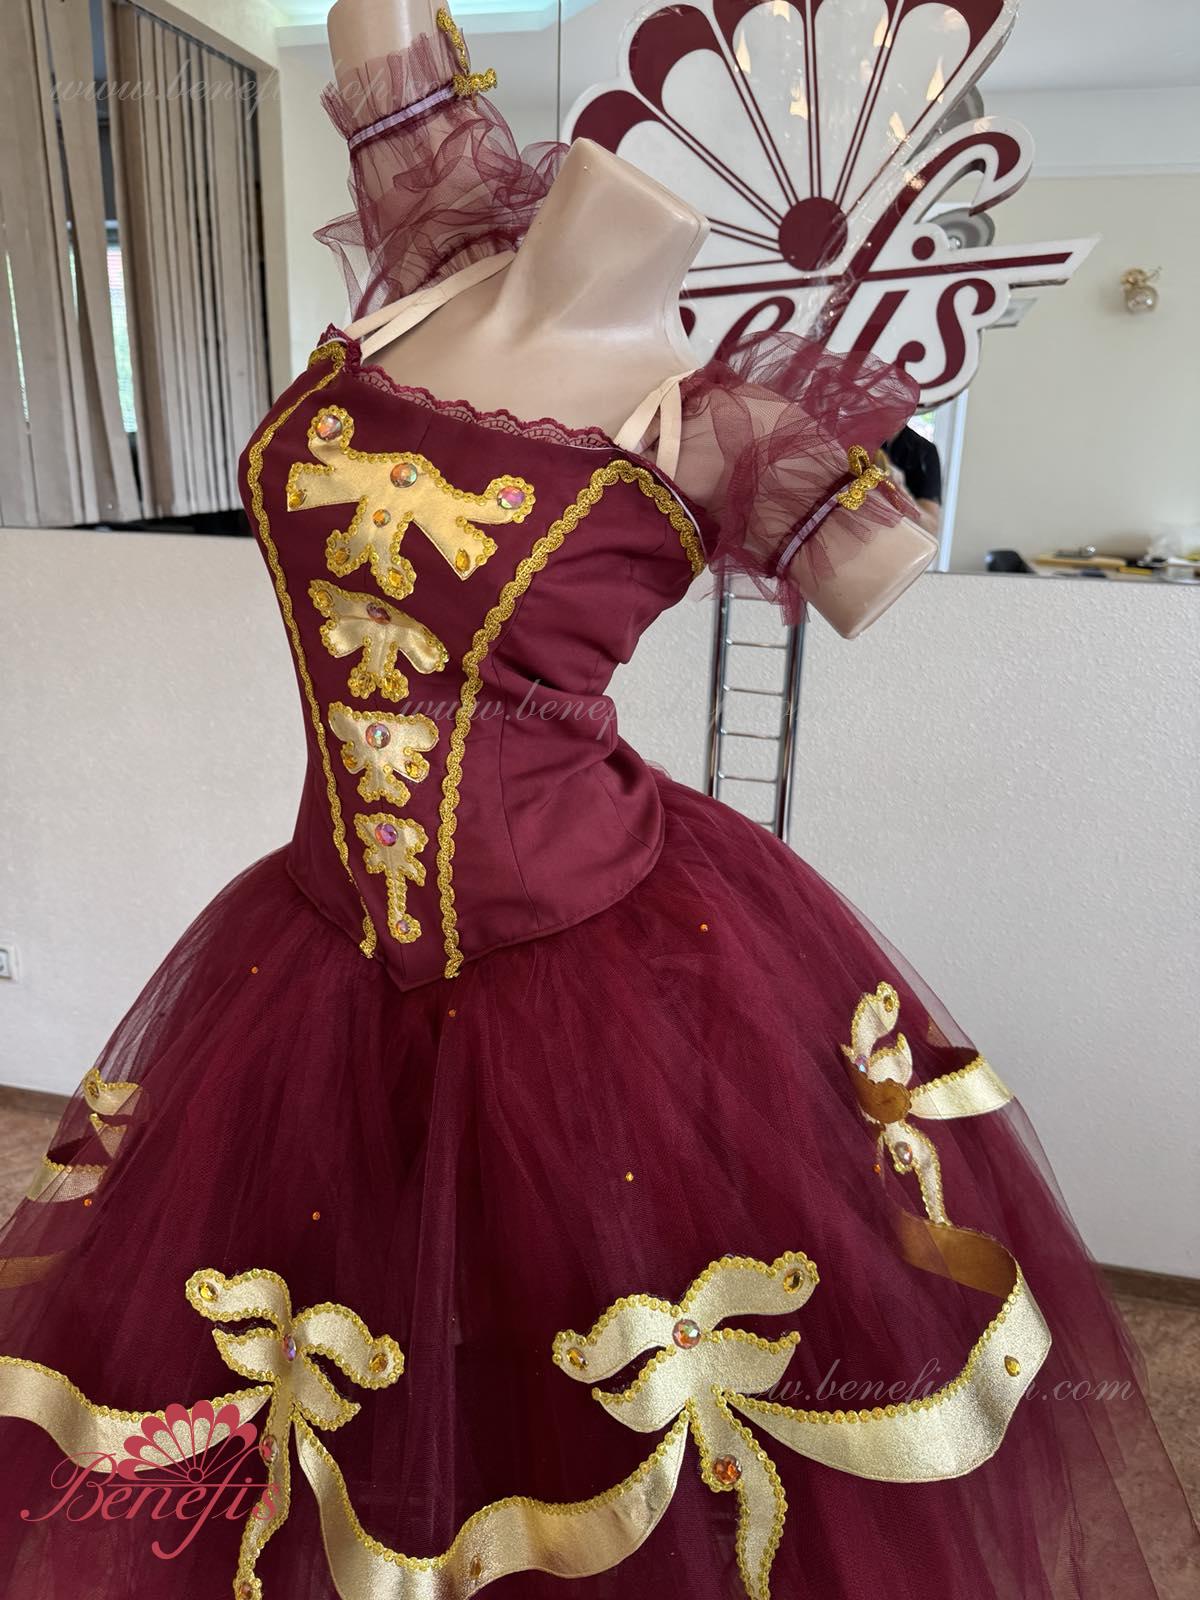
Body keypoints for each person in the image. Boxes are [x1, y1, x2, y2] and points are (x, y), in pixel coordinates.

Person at [0, 8, 1193, 1599]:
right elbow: (371, 25)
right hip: (314, 930)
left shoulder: (725, 426)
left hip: (581, 940)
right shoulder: (440, 257)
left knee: (583, 1342)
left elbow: (878, 565)